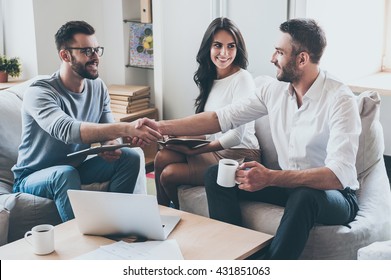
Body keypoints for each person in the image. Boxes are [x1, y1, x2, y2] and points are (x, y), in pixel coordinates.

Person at [137, 18, 361, 259]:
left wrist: (271, 176)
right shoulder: (273, 90)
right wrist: (158, 126)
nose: (272, 58)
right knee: (217, 175)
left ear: (302, 59)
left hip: (333, 197)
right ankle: (235, 255)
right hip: (287, 186)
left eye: (279, 52)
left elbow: (337, 176)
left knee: (304, 196)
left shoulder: (340, 99)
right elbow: (220, 118)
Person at [12, 21, 161, 222]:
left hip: (75, 168)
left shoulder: (97, 87)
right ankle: (83, 245)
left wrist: (111, 146)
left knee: (130, 156)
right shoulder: (40, 91)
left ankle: (119, 225)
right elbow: (67, 130)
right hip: (33, 177)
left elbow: (108, 131)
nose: (96, 56)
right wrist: (127, 128)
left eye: (97, 49)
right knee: (64, 174)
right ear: (65, 55)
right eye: (87, 51)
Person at [154, 17, 260, 208]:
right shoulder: (210, 79)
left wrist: (197, 149)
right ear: (208, 48)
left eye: (231, 46)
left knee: (169, 175)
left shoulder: (243, 79)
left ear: (238, 49)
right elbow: (212, 128)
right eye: (217, 45)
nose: (224, 53)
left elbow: (236, 136)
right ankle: (159, 214)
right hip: (216, 149)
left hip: (238, 154)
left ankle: (178, 214)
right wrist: (181, 136)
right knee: (162, 156)